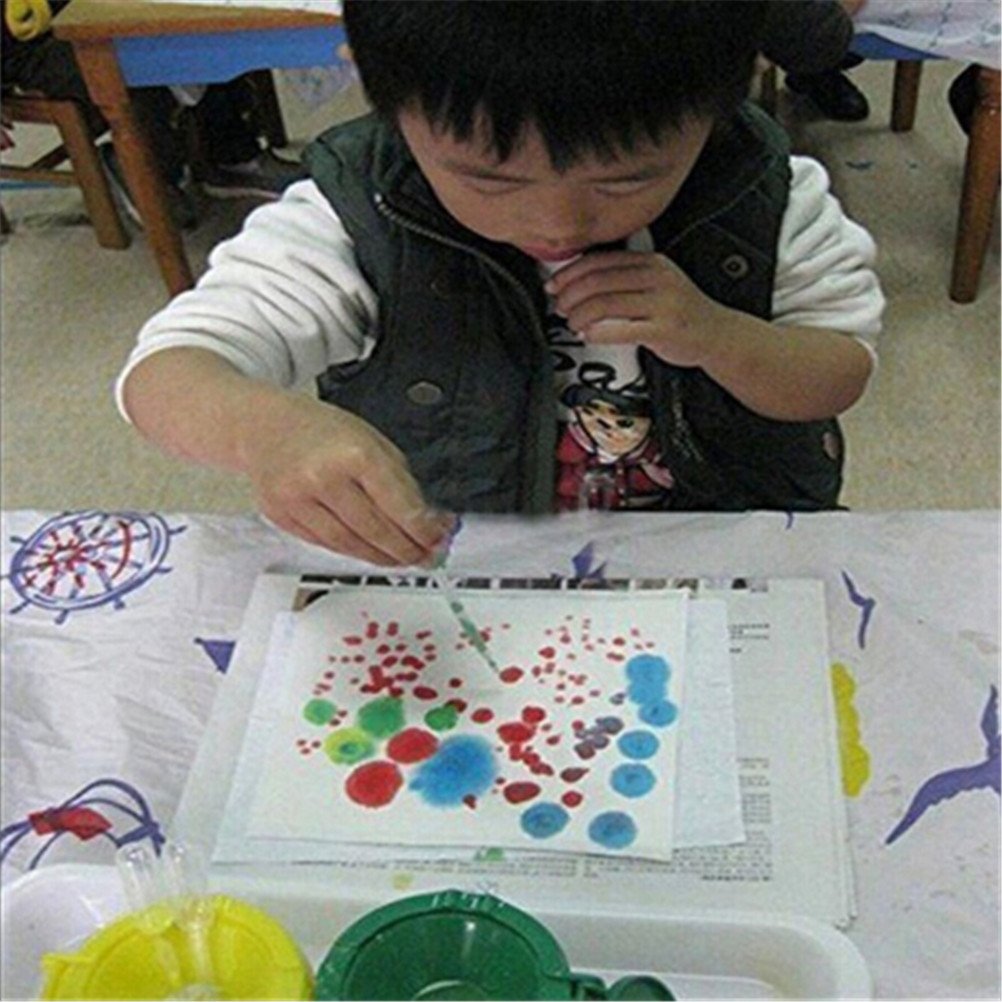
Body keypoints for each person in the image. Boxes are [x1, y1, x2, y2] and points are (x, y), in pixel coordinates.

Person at [115, 1, 884, 567]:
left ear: (727, 97)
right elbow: (169, 370)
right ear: (383, 93)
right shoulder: (356, 214)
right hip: (467, 573)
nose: (557, 221)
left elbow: (837, 374)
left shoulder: (767, 196)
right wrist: (267, 432)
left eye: (627, 180)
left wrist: (716, 336)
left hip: (723, 553)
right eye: (488, 179)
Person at [1, 0, 304, 227]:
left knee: (202, 25)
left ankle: (231, 154)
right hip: (31, 45)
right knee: (133, 67)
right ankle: (147, 167)